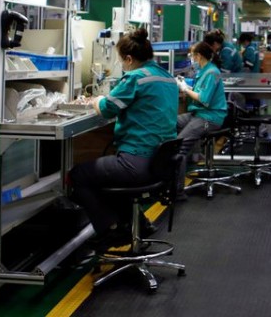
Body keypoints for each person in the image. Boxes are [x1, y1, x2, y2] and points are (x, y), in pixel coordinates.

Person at [69, 28, 178, 249]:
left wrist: (96, 100)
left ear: (129, 59)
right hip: (160, 163)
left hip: (137, 163)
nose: (122, 65)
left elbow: (108, 108)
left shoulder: (136, 78)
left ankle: (112, 230)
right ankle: (139, 223)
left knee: (78, 176)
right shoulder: (167, 77)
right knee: (105, 171)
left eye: (122, 61)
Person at [175, 41, 228, 195]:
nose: (192, 59)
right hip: (198, 113)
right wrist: (185, 85)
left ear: (199, 56)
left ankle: (177, 192)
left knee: (179, 147)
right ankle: (189, 159)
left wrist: (184, 88)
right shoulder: (204, 71)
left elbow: (204, 99)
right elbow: (199, 92)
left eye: (192, 56)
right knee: (171, 124)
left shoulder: (212, 73)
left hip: (209, 117)